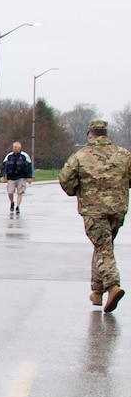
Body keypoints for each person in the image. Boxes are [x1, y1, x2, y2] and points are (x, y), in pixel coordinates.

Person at [58, 118, 131, 311]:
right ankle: (97, 292)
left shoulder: (81, 156)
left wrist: (79, 190)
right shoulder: (124, 154)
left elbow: (65, 180)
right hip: (117, 209)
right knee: (104, 246)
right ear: (106, 134)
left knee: (103, 247)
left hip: (94, 210)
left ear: (90, 134)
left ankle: (112, 286)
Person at [3, 140, 33, 215]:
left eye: (16, 147)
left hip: (21, 177)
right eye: (13, 147)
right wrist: (2, 175)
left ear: (20, 148)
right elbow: (4, 166)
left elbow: (29, 167)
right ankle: (12, 202)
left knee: (20, 192)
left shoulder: (24, 156)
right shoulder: (9, 156)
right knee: (10, 192)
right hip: (11, 177)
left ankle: (17, 206)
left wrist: (29, 177)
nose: (14, 148)